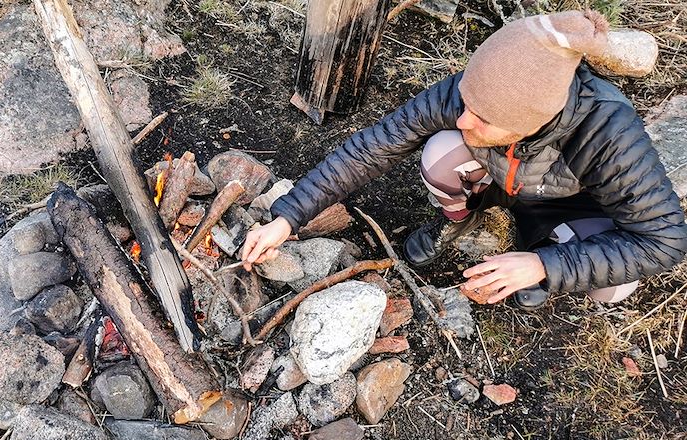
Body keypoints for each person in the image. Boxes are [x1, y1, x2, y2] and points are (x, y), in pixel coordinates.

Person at [240, 9, 687, 309]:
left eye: (484, 118)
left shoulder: (608, 133)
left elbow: (665, 241)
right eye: (465, 101)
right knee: (440, 152)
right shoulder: (471, 93)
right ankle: (461, 220)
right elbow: (373, 147)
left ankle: (543, 249)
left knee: (613, 285)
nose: (462, 118)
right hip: (500, 180)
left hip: (571, 204)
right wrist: (288, 218)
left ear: (529, 122)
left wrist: (545, 267)